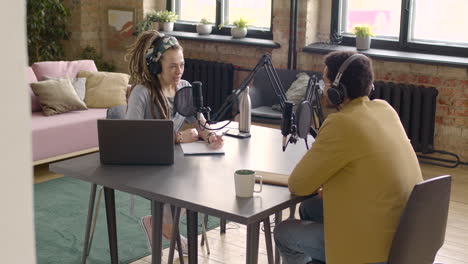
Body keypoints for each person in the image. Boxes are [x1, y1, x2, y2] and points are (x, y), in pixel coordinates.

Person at [273, 51, 423, 264]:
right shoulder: (385, 109)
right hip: (404, 234)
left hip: (373, 249)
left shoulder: (341, 123)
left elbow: (298, 185)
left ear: (337, 91)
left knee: (284, 232)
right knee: (309, 207)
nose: (323, 89)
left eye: (325, 82)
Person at [125, 30, 224, 253]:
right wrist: (177, 137)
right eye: (172, 66)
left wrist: (210, 135)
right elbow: (131, 135)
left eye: (182, 64)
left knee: (198, 174)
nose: (179, 71)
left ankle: (159, 224)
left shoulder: (184, 88)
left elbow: (199, 121)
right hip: (144, 162)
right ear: (156, 66)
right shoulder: (141, 93)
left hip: (170, 159)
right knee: (177, 178)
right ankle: (169, 231)